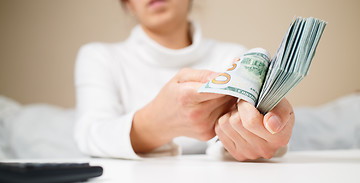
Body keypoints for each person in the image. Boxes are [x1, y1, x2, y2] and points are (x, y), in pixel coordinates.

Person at [74, 0, 295, 161]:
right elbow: (90, 134)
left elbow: (253, 139)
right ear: (128, 4)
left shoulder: (234, 57)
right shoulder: (99, 57)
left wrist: (262, 132)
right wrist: (156, 123)